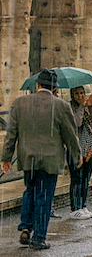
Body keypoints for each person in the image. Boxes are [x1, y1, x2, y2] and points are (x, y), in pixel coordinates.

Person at [2, 69, 82, 250]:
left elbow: (11, 134)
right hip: (50, 160)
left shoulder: (19, 103)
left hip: (28, 158)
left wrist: (6, 157)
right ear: (54, 88)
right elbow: (71, 135)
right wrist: (77, 155)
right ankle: (38, 237)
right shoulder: (61, 106)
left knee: (30, 190)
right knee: (44, 196)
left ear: (37, 85)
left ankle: (25, 225)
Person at [69, 86, 92, 220]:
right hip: (76, 148)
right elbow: (76, 122)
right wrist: (82, 107)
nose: (80, 96)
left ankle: (83, 205)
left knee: (86, 178)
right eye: (77, 93)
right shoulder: (70, 107)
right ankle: (75, 207)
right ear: (72, 95)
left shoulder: (86, 106)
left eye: (82, 93)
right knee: (77, 177)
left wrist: (90, 106)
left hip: (89, 147)